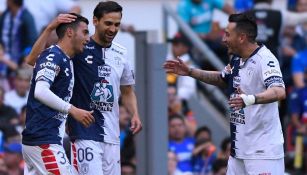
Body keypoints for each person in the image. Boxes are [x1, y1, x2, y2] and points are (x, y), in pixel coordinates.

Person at [26, 1, 143, 175]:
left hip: (112, 135)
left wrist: (135, 113)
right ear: (95, 21)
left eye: (117, 24)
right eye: (108, 23)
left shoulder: (122, 53)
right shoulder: (78, 47)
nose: (113, 29)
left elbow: (127, 91)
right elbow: (34, 60)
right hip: (84, 133)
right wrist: (50, 28)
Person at [163, 13, 286, 174]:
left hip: (262, 153)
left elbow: (279, 91)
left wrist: (250, 99)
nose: (223, 39)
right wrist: (190, 71)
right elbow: (222, 79)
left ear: (241, 37)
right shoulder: (237, 59)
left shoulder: (266, 60)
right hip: (238, 151)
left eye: (227, 34)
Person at [21, 13, 95, 175]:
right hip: (43, 141)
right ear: (70, 32)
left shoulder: (64, 58)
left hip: (44, 139)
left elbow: (31, 60)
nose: (88, 38)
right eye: (85, 32)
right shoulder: (54, 55)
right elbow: (40, 91)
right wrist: (72, 110)